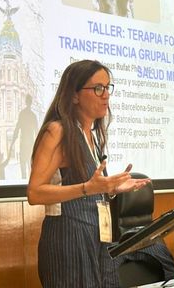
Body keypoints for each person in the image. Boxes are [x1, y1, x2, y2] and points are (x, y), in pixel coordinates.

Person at [28, 59, 166, 287]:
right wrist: (87, 188)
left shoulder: (91, 136)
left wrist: (111, 188)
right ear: (74, 95)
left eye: (108, 87)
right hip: (69, 238)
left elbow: (90, 188)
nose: (106, 95)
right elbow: (35, 193)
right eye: (98, 88)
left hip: (98, 236)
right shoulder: (57, 131)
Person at [8, 94, 38, 179]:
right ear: (31, 102)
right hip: (30, 143)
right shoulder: (33, 116)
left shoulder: (22, 114)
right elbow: (36, 131)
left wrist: (12, 142)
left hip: (24, 142)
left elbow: (17, 129)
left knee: (23, 165)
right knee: (29, 166)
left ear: (26, 102)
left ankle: (24, 180)